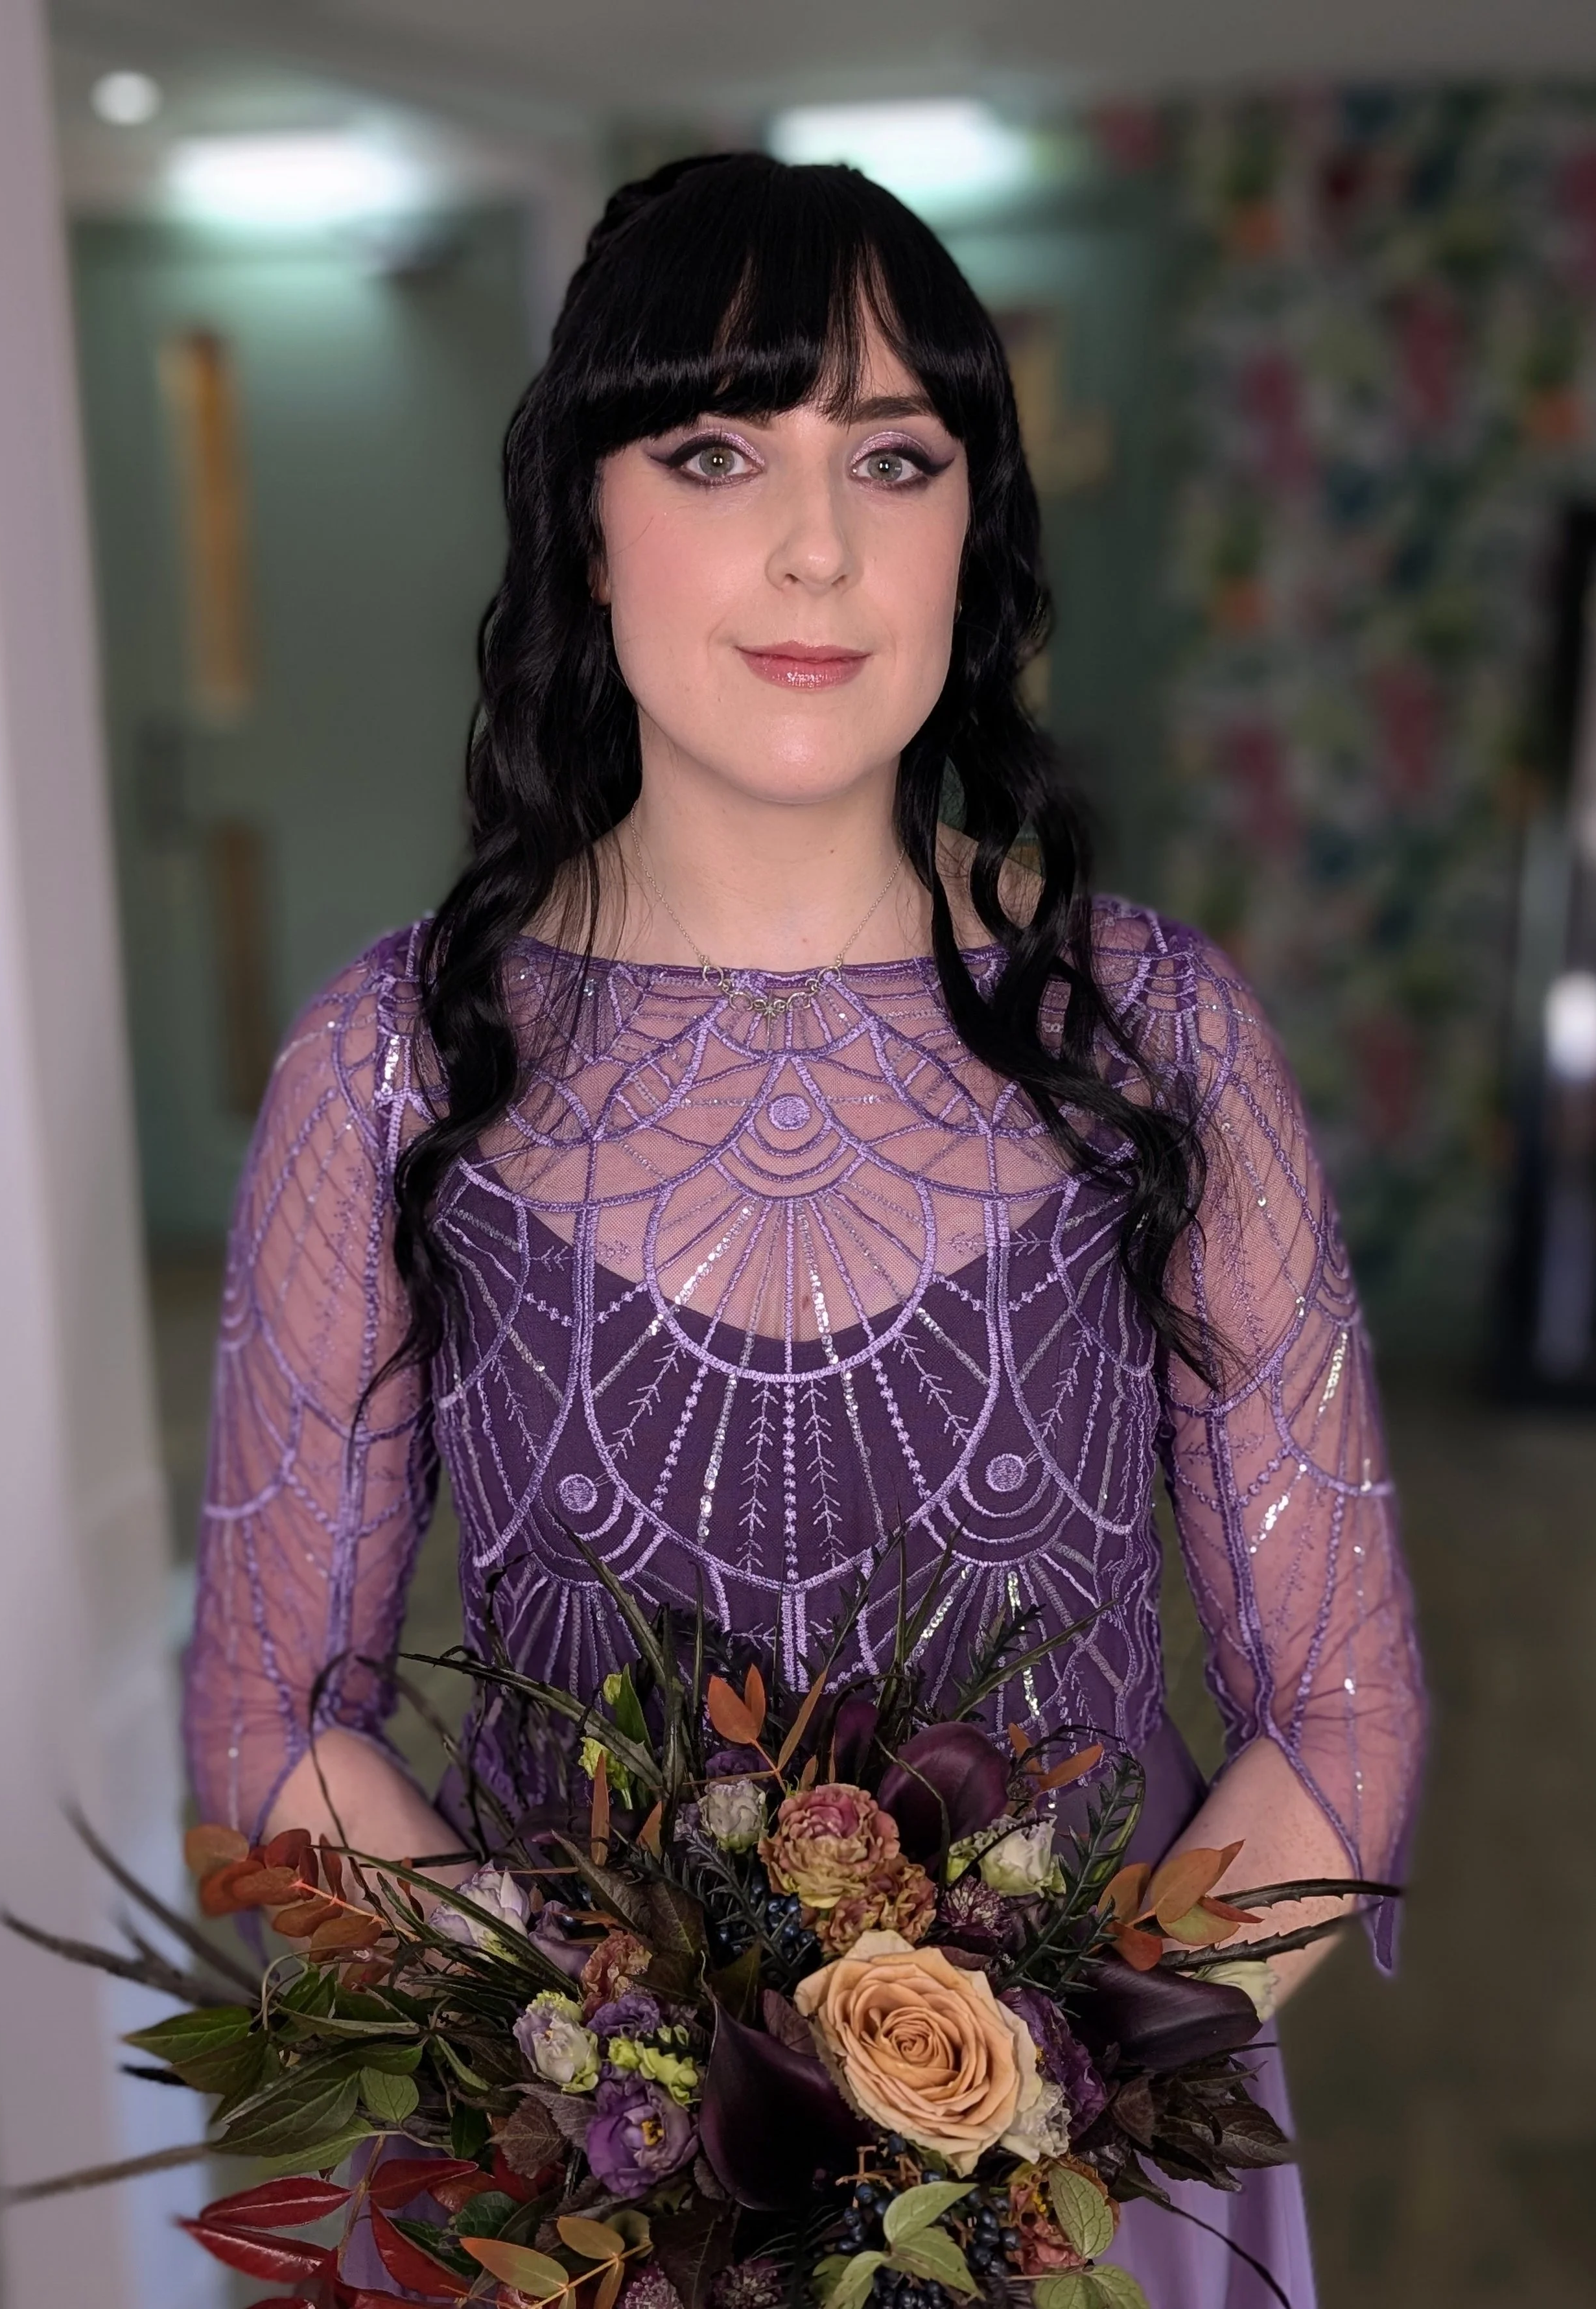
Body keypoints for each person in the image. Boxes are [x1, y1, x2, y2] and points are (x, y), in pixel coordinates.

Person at [184, 152, 1423, 2306]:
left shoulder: (1155, 1038)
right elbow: (263, 1726)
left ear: (974, 528)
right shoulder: (391, 1060)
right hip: (575, 2230)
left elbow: (1338, 1714)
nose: (816, 542)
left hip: (1082, 2219)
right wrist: (609, 2104)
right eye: (711, 448)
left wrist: (1040, 2119)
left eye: (894, 455)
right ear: (585, 513)